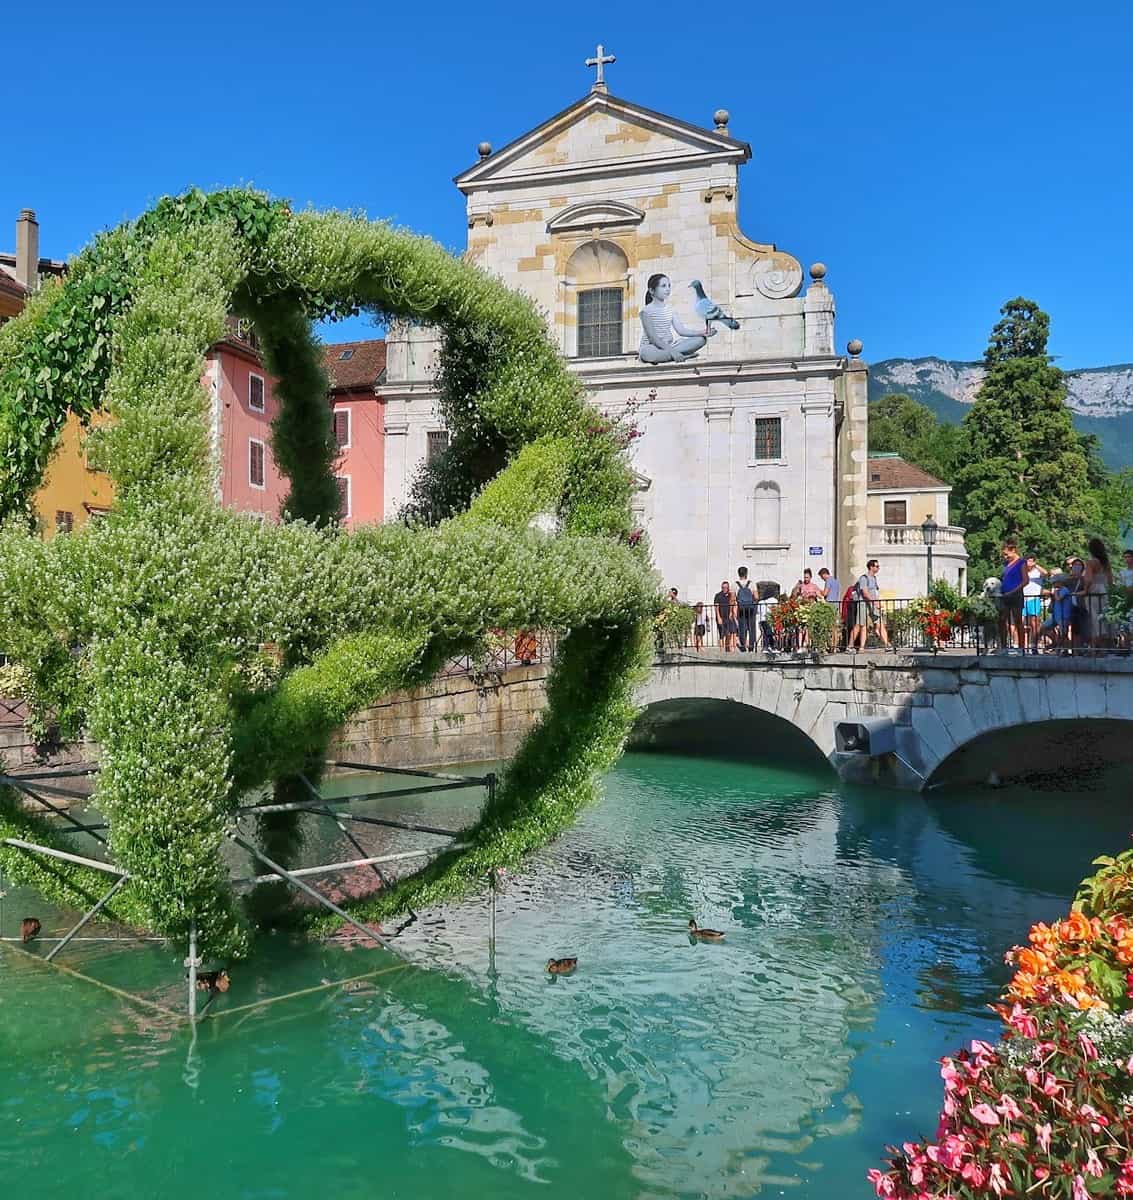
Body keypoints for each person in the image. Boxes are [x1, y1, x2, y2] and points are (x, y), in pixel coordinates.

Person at [638, 274, 714, 364]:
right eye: (663, 286)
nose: (667, 289)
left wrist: (703, 332)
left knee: (701, 340)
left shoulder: (671, 310)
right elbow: (653, 338)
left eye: (669, 286)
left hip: (670, 346)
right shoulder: (646, 312)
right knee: (646, 353)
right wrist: (672, 352)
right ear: (651, 290)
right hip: (651, 347)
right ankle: (676, 355)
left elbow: (681, 331)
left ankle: (668, 356)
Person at [848, 560, 890, 652]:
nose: (878, 568)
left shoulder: (874, 578)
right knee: (860, 625)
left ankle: (887, 645)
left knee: (880, 624)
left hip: (873, 604)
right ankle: (851, 646)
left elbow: (875, 591)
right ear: (871, 567)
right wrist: (874, 602)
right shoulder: (864, 578)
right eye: (877, 566)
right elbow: (865, 592)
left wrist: (878, 601)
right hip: (863, 603)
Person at [1083, 536, 1114, 650]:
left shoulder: (1091, 562)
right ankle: (1103, 649)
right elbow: (1110, 579)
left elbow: (1088, 579)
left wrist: (1085, 590)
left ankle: (1095, 650)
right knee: (1104, 618)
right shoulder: (1106, 562)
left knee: (1095, 619)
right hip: (1105, 590)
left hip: (1094, 590)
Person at [998, 540, 1027, 652]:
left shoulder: (1021, 562)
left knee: (1018, 620)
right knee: (1002, 620)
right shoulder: (1006, 564)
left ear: (1013, 550)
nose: (1005, 557)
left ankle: (1021, 647)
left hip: (1016, 595)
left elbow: (1025, 581)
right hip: (1005, 596)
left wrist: (1013, 592)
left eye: (1007, 554)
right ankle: (1003, 646)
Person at [1022, 552, 1049, 654]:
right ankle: (1022, 646)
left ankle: (1034, 645)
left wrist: (1035, 565)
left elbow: (1046, 574)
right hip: (1023, 598)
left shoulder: (1037, 572)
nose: (1028, 563)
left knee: (1035, 623)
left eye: (1030, 561)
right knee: (1021, 622)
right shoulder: (1022, 571)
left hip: (1034, 598)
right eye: (1027, 561)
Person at [819, 568, 843, 649]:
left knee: (829, 626)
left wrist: (818, 591)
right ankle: (835, 645)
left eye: (821, 577)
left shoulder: (828, 581)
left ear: (824, 574)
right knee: (835, 627)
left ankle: (830, 645)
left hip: (829, 605)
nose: (822, 579)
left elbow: (825, 593)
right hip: (836, 604)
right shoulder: (836, 581)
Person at [735, 568, 757, 652]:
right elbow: (756, 596)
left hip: (741, 609)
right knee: (751, 627)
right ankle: (751, 645)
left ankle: (743, 645)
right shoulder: (752, 584)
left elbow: (732, 599)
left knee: (742, 627)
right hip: (750, 609)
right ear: (746, 574)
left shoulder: (735, 585)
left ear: (738, 574)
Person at [713, 581, 734, 651]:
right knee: (721, 634)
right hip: (721, 617)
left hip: (728, 617)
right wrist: (718, 617)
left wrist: (731, 613)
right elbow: (716, 607)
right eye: (723, 587)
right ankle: (721, 650)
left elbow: (732, 604)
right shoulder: (718, 595)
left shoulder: (730, 595)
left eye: (726, 587)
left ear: (728, 588)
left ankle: (727, 648)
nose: (724, 589)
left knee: (729, 633)